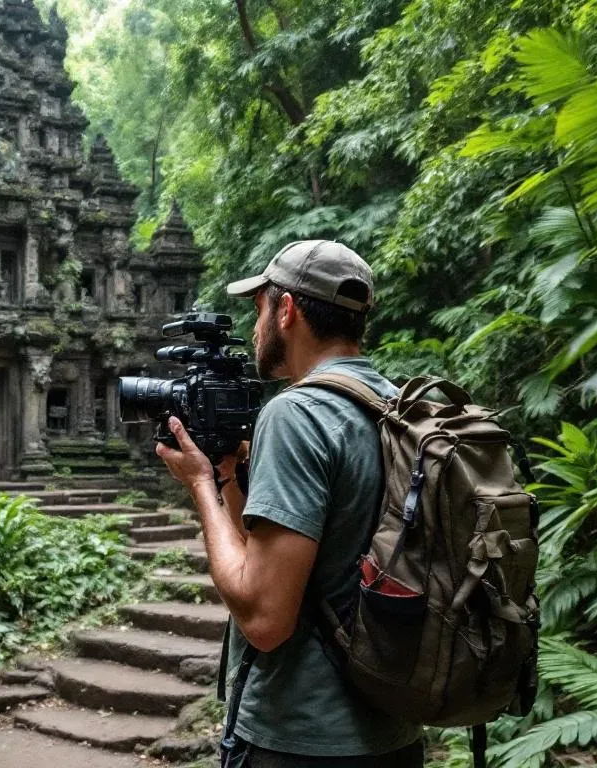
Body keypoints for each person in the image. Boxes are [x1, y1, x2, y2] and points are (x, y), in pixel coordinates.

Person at [155, 240, 424, 767]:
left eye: (259, 309)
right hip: (393, 730)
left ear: (286, 310)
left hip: (302, 740)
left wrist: (201, 487)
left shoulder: (296, 414)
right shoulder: (398, 408)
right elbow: (289, 557)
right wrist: (231, 478)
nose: (255, 328)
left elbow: (266, 618)